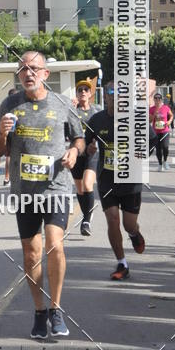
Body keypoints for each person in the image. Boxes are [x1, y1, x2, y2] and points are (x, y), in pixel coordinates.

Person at [0, 51, 84, 340]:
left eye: (34, 68)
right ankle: (39, 311)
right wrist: (4, 135)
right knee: (31, 253)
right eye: (23, 69)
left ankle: (56, 310)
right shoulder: (9, 105)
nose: (28, 73)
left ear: (45, 74)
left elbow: (79, 138)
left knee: (54, 245)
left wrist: (73, 151)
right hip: (25, 192)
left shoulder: (61, 103)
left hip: (56, 187)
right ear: (18, 75)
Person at [85, 81, 146, 281]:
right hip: (107, 180)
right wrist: (90, 149)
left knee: (129, 225)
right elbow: (86, 142)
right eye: (111, 93)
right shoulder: (97, 120)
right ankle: (122, 263)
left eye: (120, 94)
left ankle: (134, 234)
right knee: (112, 219)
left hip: (131, 181)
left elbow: (152, 140)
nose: (115, 97)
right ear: (106, 96)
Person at [71, 79, 101, 237]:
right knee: (80, 189)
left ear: (90, 94)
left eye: (86, 90)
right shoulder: (71, 110)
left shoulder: (97, 111)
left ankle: (86, 221)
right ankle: (86, 215)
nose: (83, 92)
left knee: (88, 185)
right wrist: (69, 108)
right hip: (76, 153)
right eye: (80, 89)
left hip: (91, 152)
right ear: (76, 93)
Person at [150, 92, 174, 171]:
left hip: (165, 131)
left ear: (161, 99)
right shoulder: (151, 109)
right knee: (158, 150)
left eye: (159, 98)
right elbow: (149, 120)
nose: (157, 100)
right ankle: (160, 164)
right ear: (154, 100)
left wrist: (169, 121)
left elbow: (171, 115)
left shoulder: (165, 107)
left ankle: (165, 161)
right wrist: (154, 115)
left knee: (165, 147)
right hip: (156, 132)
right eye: (155, 98)